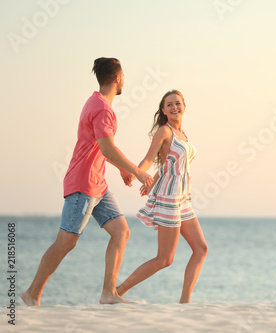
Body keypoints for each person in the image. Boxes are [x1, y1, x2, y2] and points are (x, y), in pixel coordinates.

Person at [21, 57, 153, 306]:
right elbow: (106, 148)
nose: (124, 80)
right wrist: (136, 171)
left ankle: (108, 294)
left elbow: (101, 148)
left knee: (121, 232)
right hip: (83, 185)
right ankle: (32, 294)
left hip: (97, 185)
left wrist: (121, 170)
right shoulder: (102, 108)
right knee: (67, 241)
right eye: (123, 76)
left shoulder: (95, 101)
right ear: (117, 78)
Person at [116, 90, 208, 304]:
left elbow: (169, 163)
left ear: (184, 106)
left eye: (178, 103)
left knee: (201, 249)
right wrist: (139, 173)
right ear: (164, 110)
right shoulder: (164, 132)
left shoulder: (183, 134)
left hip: (184, 197)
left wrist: (154, 179)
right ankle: (117, 292)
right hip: (169, 196)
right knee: (165, 259)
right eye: (169, 105)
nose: (174, 107)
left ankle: (185, 302)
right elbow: (149, 159)